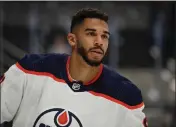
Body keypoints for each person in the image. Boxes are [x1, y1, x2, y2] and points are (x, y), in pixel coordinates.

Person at [1, 8, 148, 127]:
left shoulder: (126, 95)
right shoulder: (31, 69)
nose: (99, 42)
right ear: (72, 40)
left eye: (104, 36)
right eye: (91, 34)